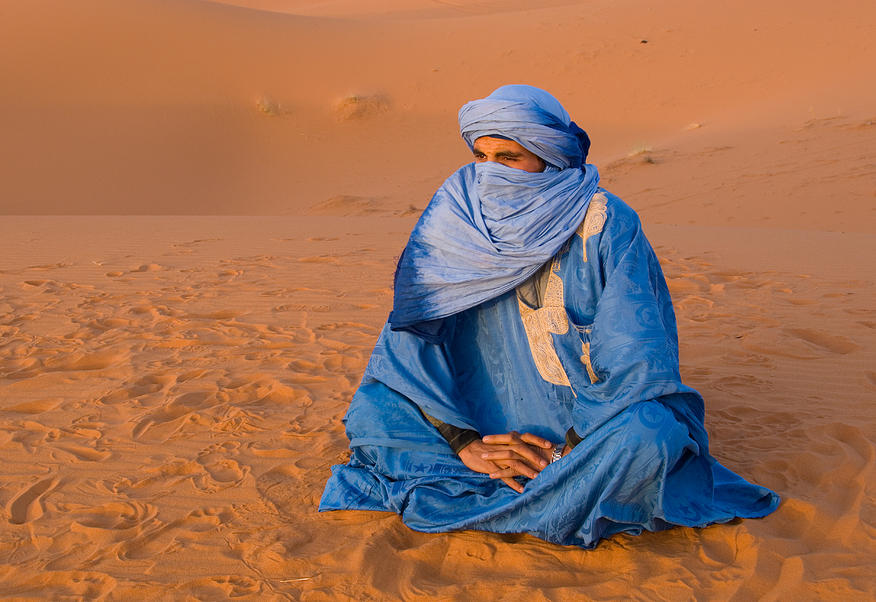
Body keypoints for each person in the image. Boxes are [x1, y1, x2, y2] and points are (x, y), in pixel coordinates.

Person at [319, 85, 779, 548]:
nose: (488, 173)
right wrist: (464, 441)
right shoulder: (455, 216)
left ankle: (551, 481)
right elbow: (407, 347)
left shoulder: (604, 221)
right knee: (375, 408)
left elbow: (636, 352)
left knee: (651, 434)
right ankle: (555, 493)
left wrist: (572, 448)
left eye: (509, 158)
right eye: (481, 156)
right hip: (479, 418)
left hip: (589, 427)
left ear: (549, 159)